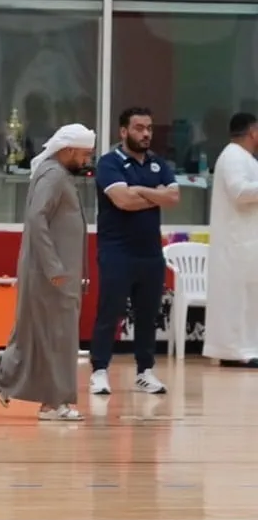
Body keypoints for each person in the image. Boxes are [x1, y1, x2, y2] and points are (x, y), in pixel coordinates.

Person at [0, 124, 96, 420]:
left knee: (43, 336)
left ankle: (9, 379)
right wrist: (54, 266)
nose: (86, 161)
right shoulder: (54, 175)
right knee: (57, 336)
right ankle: (54, 402)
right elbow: (36, 218)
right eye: (84, 154)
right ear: (68, 150)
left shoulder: (56, 174)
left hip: (56, 272)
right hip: (51, 273)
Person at [89, 107, 176, 396]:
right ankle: (99, 370)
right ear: (124, 131)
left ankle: (145, 371)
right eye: (139, 128)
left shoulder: (158, 163)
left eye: (149, 128)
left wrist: (139, 190)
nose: (146, 133)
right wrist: (155, 194)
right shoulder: (108, 163)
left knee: (148, 313)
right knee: (109, 311)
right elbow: (123, 200)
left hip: (150, 251)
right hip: (117, 251)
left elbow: (174, 197)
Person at [205, 112, 258, 367]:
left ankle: (245, 349)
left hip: (246, 241)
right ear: (253, 132)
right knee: (237, 299)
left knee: (248, 299)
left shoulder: (245, 158)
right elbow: (239, 191)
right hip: (236, 243)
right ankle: (235, 352)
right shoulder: (233, 156)